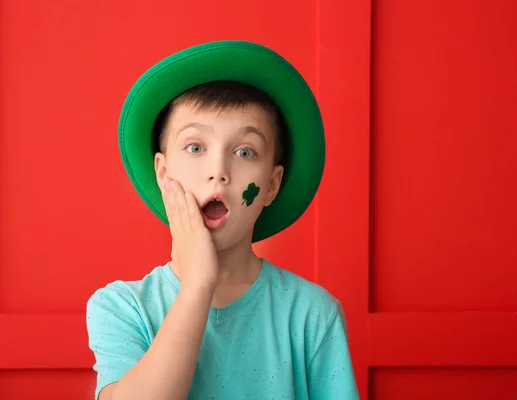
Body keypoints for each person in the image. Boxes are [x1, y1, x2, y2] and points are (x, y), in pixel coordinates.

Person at [86, 40, 359, 400]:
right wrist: (199, 283)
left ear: (271, 185)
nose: (218, 172)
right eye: (195, 147)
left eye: (244, 152)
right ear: (164, 173)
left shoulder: (313, 314)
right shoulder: (122, 306)